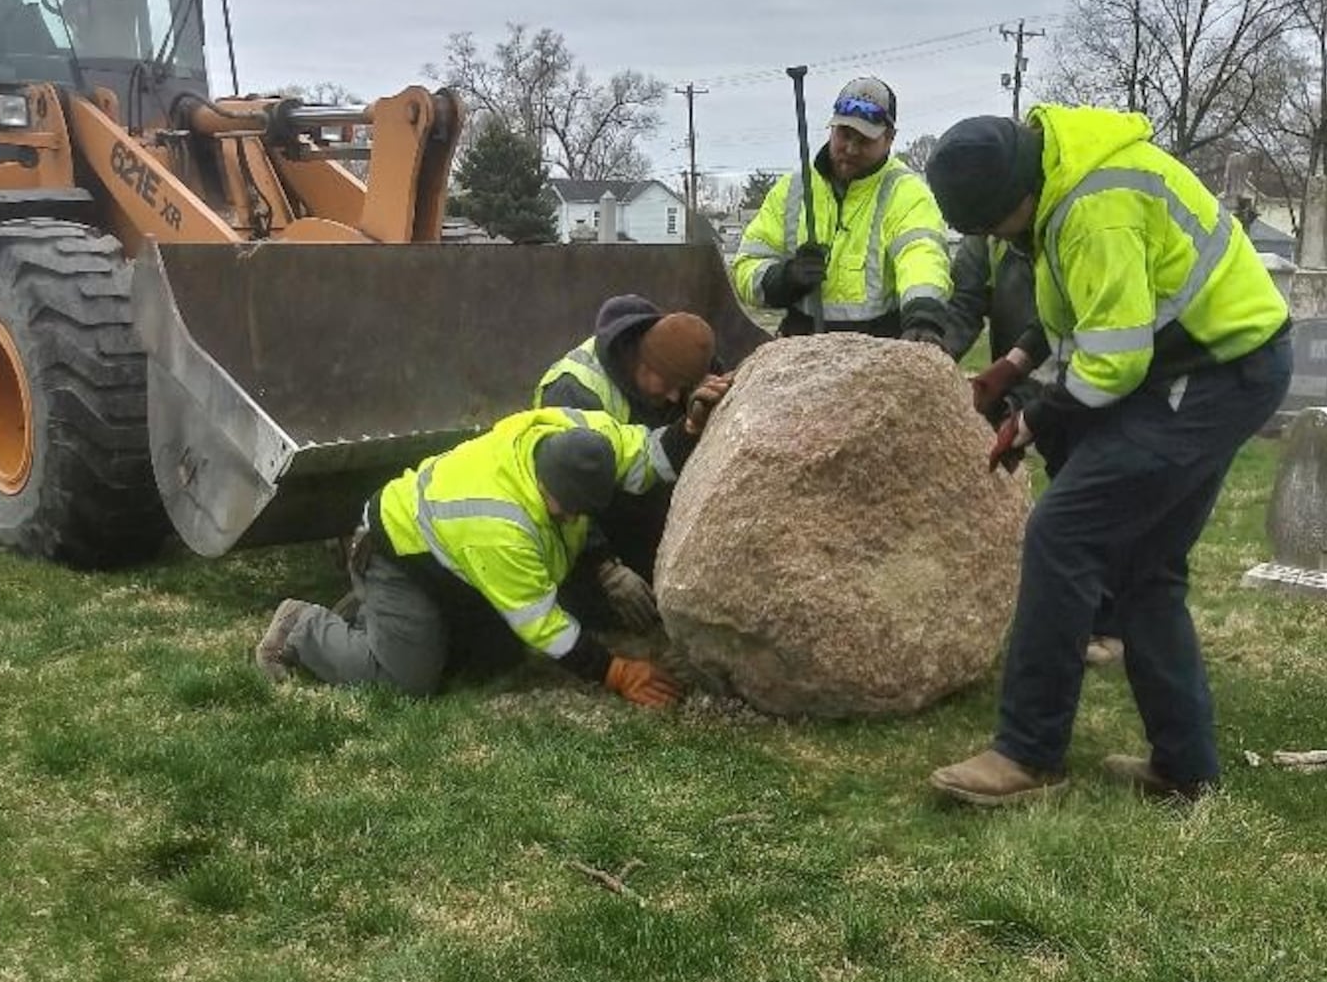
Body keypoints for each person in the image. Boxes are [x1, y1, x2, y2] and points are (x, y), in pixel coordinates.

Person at [924, 105, 1293, 807]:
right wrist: (1015, 360)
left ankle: (1028, 753)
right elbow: (1083, 303)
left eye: (998, 227)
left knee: (1063, 533)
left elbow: (1116, 361)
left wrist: (1032, 418)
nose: (1004, 241)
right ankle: (1186, 767)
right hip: (1211, 365)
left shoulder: (1095, 206)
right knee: (1145, 565)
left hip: (1213, 372)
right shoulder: (1066, 178)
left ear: (1015, 198)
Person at [253, 406, 709, 707]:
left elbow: (649, 454)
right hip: (396, 554)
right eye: (563, 507)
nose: (571, 518)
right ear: (541, 482)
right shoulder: (500, 523)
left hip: (451, 560)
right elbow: (541, 623)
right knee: (407, 683)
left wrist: (691, 427)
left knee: (495, 659)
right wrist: (615, 671)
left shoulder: (588, 440)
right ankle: (302, 627)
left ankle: (380, 619)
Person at [944, 232, 1123, 669]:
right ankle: (1074, 619)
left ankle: (1111, 625)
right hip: (1039, 383)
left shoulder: (1070, 227)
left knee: (1089, 506)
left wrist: (1025, 408)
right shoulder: (989, 241)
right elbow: (975, 306)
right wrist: (935, 354)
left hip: (1093, 381)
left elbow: (1090, 322)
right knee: (1062, 505)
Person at [533, 296, 731, 617]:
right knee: (595, 609)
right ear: (642, 363)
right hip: (583, 520)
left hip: (641, 503)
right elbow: (563, 498)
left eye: (682, 388)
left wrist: (698, 413)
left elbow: (653, 457)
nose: (673, 396)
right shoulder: (573, 391)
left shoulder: (670, 356)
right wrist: (606, 569)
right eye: (668, 384)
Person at [731, 76, 952, 345]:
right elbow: (746, 267)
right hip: (802, 347)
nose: (850, 149)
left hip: (879, 348)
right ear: (831, 128)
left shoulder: (907, 192)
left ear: (889, 138)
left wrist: (923, 317)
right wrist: (785, 279)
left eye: (864, 140)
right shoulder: (793, 189)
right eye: (844, 135)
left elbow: (921, 257)